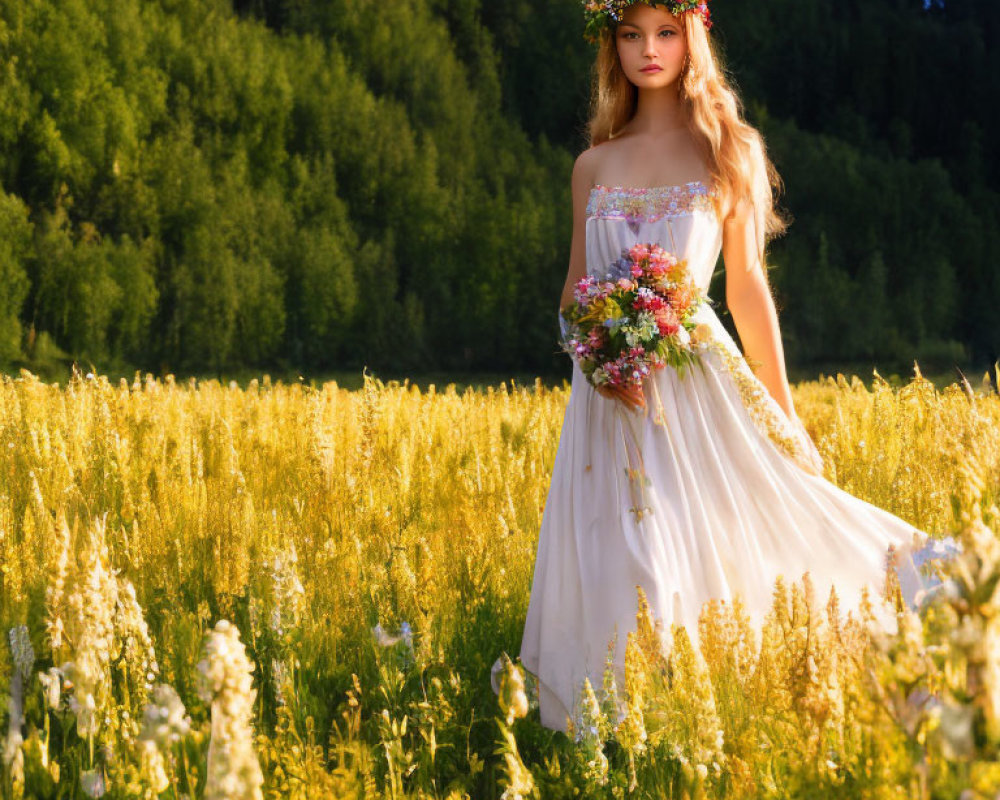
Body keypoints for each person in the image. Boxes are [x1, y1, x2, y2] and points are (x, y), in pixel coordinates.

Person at [516, 0, 959, 733]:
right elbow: (570, 295)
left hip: (696, 388)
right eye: (631, 35)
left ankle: (703, 712)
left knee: (718, 542)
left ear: (691, 38)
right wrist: (595, 357)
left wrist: (783, 414)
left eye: (664, 33)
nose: (648, 50)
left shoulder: (728, 147)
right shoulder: (591, 164)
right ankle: (624, 735)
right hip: (605, 397)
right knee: (616, 553)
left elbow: (748, 290)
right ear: (613, 46)